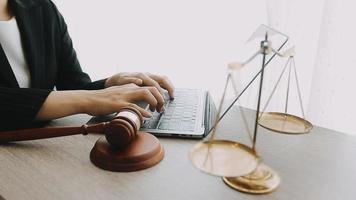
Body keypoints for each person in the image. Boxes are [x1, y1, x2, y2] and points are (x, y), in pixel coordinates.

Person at [0, 0, 174, 131]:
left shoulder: (42, 8)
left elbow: (73, 87)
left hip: (40, 149)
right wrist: (87, 100)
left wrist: (111, 85)